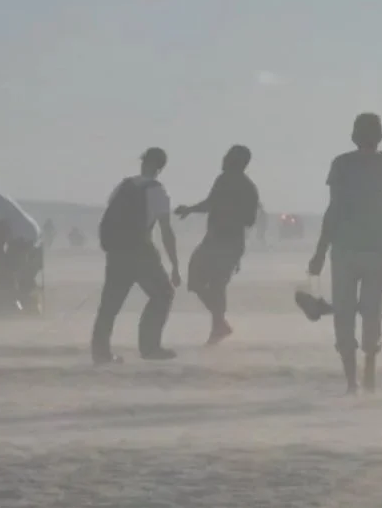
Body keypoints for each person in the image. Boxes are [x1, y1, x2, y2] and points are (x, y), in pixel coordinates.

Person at [308, 113, 382, 393]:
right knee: (371, 313)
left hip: (345, 250)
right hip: (376, 249)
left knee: (344, 314)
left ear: (354, 135)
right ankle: (370, 372)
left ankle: (352, 381)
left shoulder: (342, 165)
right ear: (380, 136)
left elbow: (334, 209)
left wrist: (319, 251)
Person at [91, 148, 181, 363]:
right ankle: (150, 347)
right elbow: (165, 230)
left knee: (110, 304)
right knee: (163, 294)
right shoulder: (157, 191)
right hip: (141, 251)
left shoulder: (124, 186)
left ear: (143, 163)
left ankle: (100, 352)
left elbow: (110, 215)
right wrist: (175, 265)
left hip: (117, 252)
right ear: (160, 168)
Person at [177, 147, 261, 344]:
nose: (223, 159)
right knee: (208, 283)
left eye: (227, 157)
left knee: (209, 283)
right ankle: (219, 324)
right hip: (223, 241)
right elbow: (215, 206)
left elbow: (243, 217)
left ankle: (218, 326)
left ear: (235, 161)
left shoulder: (235, 183)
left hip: (224, 241)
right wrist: (191, 209)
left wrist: (192, 210)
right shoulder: (237, 183)